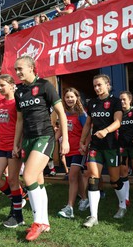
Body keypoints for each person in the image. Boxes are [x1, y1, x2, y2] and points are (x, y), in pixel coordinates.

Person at [12, 55, 69, 241]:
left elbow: (61, 113)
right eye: (16, 70)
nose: (18, 72)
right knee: (38, 180)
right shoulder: (19, 92)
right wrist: (16, 142)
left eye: (20, 69)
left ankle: (37, 222)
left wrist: (65, 140)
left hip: (44, 136)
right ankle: (44, 222)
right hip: (28, 139)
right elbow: (20, 120)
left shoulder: (45, 86)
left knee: (27, 177)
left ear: (31, 68)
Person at [79, 74, 123, 228]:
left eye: (99, 85)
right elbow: (88, 124)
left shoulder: (115, 102)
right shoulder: (92, 103)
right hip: (95, 146)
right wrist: (82, 141)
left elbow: (118, 122)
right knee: (93, 178)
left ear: (107, 85)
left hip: (111, 146)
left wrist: (106, 130)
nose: (97, 88)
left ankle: (122, 205)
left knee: (114, 181)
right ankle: (93, 216)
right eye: (95, 86)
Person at [0, 74, 27, 228]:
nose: (0, 88)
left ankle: (17, 216)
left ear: (12, 85)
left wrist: (18, 144)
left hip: (14, 145)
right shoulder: (0, 104)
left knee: (13, 180)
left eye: (2, 85)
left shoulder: (17, 102)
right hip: (2, 146)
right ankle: (18, 197)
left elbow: (21, 124)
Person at [57, 88, 90, 219]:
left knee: (72, 176)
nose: (69, 99)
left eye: (72, 97)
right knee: (77, 176)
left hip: (79, 150)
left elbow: (87, 132)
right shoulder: (63, 114)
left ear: (77, 98)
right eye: (67, 97)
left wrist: (85, 146)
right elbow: (60, 130)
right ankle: (84, 199)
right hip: (68, 150)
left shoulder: (82, 114)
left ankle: (69, 207)